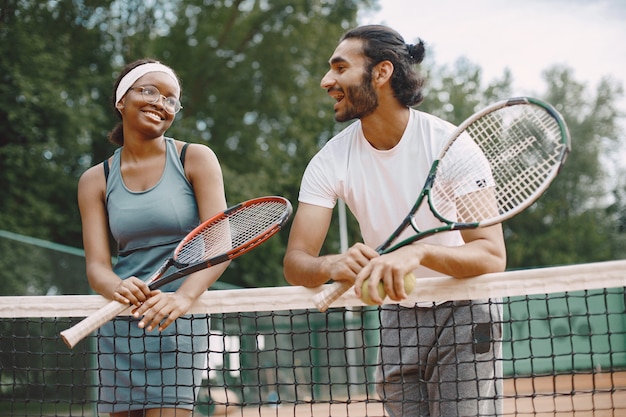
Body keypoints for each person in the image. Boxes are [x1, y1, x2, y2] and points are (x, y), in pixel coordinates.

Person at [283, 25, 507, 416]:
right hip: (396, 313)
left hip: (466, 309)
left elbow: (490, 255)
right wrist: (331, 265)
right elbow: (296, 263)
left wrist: (419, 254)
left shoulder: (451, 146)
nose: (326, 81)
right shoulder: (329, 161)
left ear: (381, 73)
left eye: (339, 68)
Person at [78, 58, 229, 416]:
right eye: (149, 91)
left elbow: (221, 245)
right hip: (119, 323)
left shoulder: (196, 158)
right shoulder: (94, 180)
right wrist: (116, 287)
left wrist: (183, 298)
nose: (160, 103)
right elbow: (98, 266)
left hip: (179, 319)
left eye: (170, 98)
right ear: (121, 101)